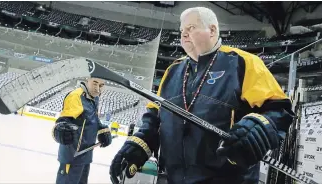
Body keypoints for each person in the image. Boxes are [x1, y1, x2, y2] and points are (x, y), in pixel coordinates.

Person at [109, 7, 295, 184]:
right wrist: (139, 144)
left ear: (212, 30)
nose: (183, 34)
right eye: (182, 30)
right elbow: (154, 119)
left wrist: (257, 127)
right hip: (174, 178)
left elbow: (279, 111)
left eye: (191, 28)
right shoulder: (172, 71)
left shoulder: (243, 63)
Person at [52, 78, 112, 184]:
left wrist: (102, 129)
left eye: (101, 85)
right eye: (95, 83)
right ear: (87, 79)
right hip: (73, 155)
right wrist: (60, 129)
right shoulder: (76, 96)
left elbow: (93, 119)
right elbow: (64, 120)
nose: (98, 89)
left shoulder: (94, 97)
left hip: (86, 154)